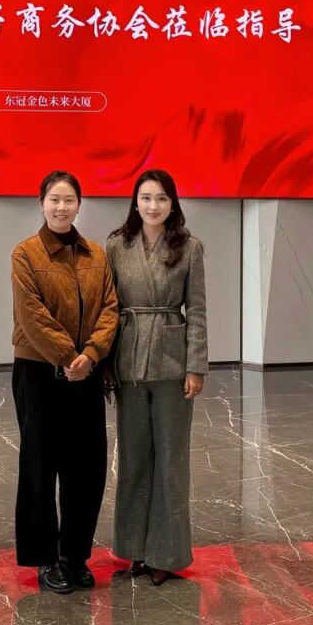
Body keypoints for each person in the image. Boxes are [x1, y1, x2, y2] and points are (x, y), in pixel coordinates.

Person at [11, 170, 119, 594]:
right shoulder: (25, 254)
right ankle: (44, 558)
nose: (61, 207)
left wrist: (90, 355)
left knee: (86, 469)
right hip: (39, 373)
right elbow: (31, 315)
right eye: (54, 199)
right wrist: (68, 357)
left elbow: (110, 308)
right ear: (41, 203)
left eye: (68, 199)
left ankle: (75, 556)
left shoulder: (96, 255)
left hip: (86, 374)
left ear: (79, 205)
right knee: (40, 467)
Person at [106, 169, 208, 585]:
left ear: (172, 203)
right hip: (128, 360)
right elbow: (108, 307)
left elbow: (197, 310)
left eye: (162, 198)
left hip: (171, 363)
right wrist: (105, 363)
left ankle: (166, 553)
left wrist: (195, 366)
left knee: (170, 461)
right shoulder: (117, 245)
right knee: (133, 459)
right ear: (135, 201)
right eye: (146, 197)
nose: (153, 206)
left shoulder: (189, 247)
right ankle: (134, 550)